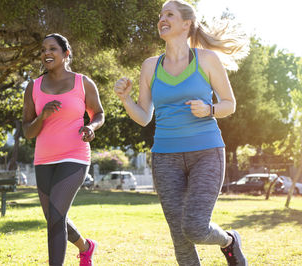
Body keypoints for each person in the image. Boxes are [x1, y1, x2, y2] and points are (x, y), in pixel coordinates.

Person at [114, 1, 249, 265]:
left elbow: (229, 104)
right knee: (180, 237)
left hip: (207, 153)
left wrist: (209, 109)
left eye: (169, 14)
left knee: (195, 227)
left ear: (186, 24)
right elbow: (144, 117)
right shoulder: (150, 66)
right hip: (165, 157)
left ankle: (230, 241)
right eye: (160, 15)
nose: (162, 19)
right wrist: (126, 99)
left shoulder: (207, 60)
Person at [22, 33, 104, 266]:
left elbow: (98, 113)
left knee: (56, 218)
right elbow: (28, 131)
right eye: (43, 50)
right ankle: (86, 247)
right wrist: (43, 115)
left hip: (75, 156)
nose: (46, 53)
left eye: (52, 49)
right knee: (54, 218)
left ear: (66, 53)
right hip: (43, 159)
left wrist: (91, 126)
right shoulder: (33, 87)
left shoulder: (82, 82)